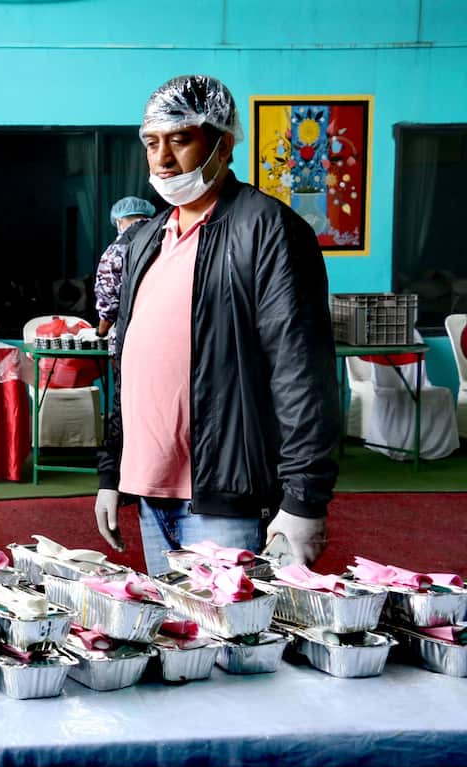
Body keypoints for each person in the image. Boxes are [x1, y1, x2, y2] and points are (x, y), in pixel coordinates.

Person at [94, 75, 339, 573]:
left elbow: (301, 373)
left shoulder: (267, 229)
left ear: (223, 144)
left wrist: (305, 498)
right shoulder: (145, 240)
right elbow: (128, 364)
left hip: (226, 496)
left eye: (180, 140)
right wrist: (111, 472)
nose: (162, 159)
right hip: (149, 488)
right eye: (151, 143)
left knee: (235, 644)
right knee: (184, 647)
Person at [93, 196, 155, 349]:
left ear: (119, 221)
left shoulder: (118, 249)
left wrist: (100, 332)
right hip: (172, 335)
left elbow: (109, 300)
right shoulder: (169, 236)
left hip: (132, 339)